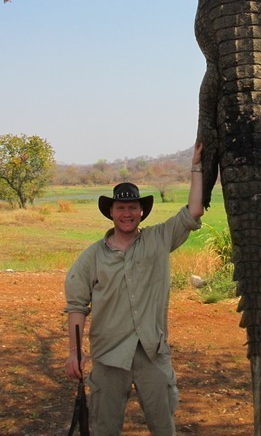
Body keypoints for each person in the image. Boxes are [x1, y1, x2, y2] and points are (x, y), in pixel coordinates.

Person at [64, 143, 204, 436]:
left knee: (164, 427)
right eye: (121, 208)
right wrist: (74, 354)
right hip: (108, 355)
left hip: (152, 352)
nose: (127, 213)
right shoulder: (92, 256)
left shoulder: (159, 240)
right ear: (111, 212)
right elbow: (77, 306)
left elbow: (194, 209)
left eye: (132, 208)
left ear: (142, 211)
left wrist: (196, 167)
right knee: (105, 429)